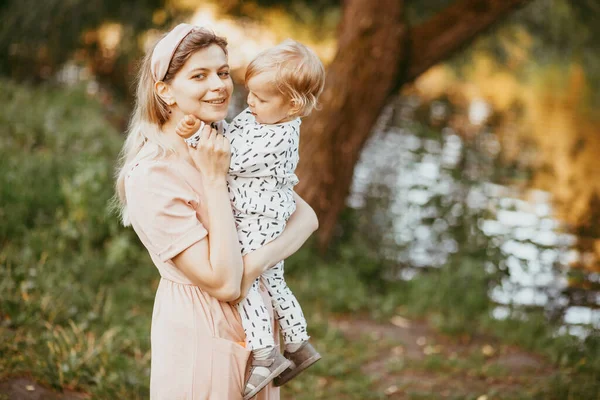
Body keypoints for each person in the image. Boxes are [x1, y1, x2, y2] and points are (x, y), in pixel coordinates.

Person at [113, 23, 319, 400]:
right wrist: (212, 178)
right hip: (200, 331)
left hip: (257, 328)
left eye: (223, 72)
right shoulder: (152, 175)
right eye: (199, 75)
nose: (220, 85)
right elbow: (224, 283)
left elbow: (305, 216)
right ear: (165, 91)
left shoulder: (222, 137)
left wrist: (255, 264)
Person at [176, 39, 325, 399]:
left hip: (259, 217)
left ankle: (264, 353)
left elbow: (232, 160)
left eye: (261, 98)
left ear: (293, 104)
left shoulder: (282, 134)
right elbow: (233, 133)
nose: (251, 103)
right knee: (274, 281)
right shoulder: (262, 116)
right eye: (250, 94)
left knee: (247, 280)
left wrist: (198, 136)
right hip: (263, 212)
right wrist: (216, 128)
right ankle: (298, 342)